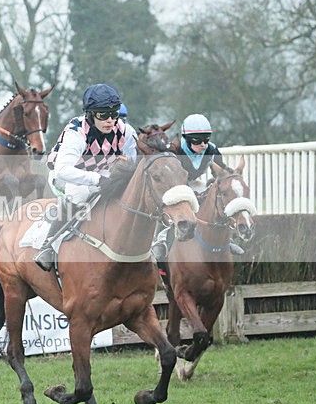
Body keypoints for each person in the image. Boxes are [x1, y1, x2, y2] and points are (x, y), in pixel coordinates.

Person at [34, 83, 137, 271]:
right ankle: (47, 245)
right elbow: (63, 170)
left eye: (113, 114)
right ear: (90, 114)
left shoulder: (125, 131)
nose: (110, 121)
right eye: (102, 115)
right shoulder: (77, 131)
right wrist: (96, 180)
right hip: (66, 176)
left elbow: (133, 162)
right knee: (81, 193)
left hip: (101, 172)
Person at [150, 113, 242, 260]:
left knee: (216, 198)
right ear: (185, 138)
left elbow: (220, 173)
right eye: (197, 140)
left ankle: (228, 240)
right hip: (174, 187)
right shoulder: (174, 150)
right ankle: (160, 242)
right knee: (172, 206)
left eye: (206, 139)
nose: (203, 144)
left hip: (194, 183)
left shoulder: (212, 150)